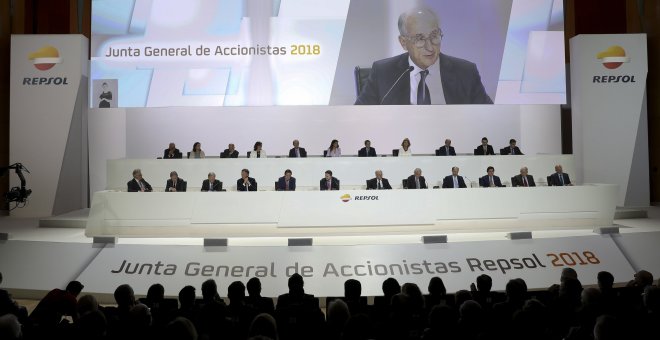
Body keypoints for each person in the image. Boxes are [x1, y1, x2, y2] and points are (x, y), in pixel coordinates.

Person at [355, 7, 492, 105]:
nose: (430, 47)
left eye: (434, 36)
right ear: (403, 42)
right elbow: (360, 116)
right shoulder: (382, 72)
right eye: (419, 38)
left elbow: (488, 116)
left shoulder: (466, 72)